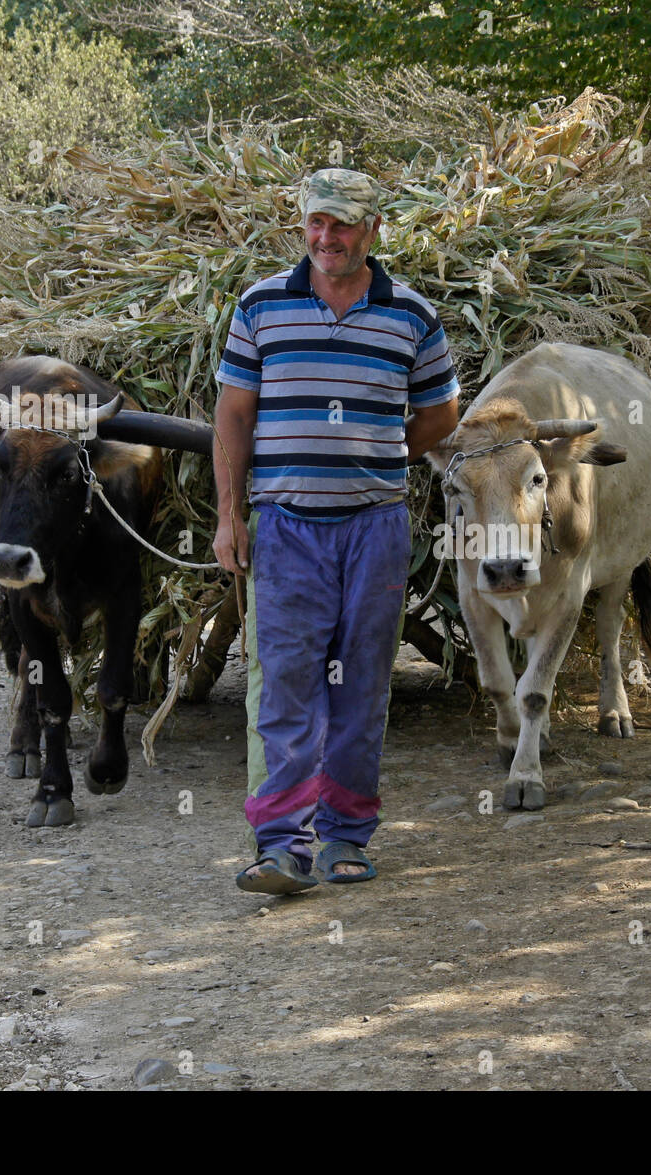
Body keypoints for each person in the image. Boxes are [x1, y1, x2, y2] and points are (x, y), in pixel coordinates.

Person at [213, 168, 460, 895]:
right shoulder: (262, 306)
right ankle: (281, 847)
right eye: (318, 223)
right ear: (304, 225)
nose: (329, 238)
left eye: (344, 225)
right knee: (285, 686)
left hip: (375, 531)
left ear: (372, 229)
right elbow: (232, 416)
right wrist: (231, 517)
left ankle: (346, 837)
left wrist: (382, 458)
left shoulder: (410, 316)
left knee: (361, 685)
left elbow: (440, 416)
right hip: (284, 529)